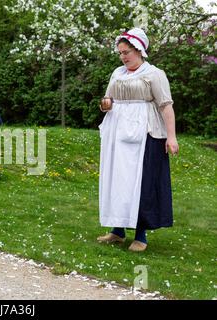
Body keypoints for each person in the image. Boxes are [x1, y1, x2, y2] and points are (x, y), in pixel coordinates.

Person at [97, 27, 179, 252]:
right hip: (117, 131)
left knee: (140, 181)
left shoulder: (154, 74)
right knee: (117, 179)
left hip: (144, 132)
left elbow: (166, 106)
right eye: (121, 53)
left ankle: (141, 235)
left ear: (140, 50)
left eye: (127, 52)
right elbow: (108, 99)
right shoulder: (117, 73)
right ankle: (118, 230)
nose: (123, 57)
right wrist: (106, 105)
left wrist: (171, 137)